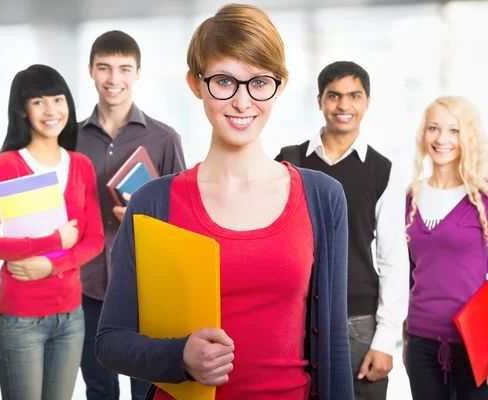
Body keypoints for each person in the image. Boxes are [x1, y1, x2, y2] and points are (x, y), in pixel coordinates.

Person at [95, 4, 354, 400]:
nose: (242, 101)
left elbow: (334, 343)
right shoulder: (152, 203)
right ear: (195, 84)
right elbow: (110, 341)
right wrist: (178, 355)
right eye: (223, 81)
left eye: (259, 82)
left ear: (280, 85)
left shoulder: (322, 196)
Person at [0, 64, 105, 400]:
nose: (51, 111)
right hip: (21, 321)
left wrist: (52, 264)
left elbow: (95, 240)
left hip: (71, 318)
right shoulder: (9, 166)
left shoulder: (80, 165)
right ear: (22, 111)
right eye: (38, 102)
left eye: (58, 100)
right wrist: (52, 242)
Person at [276, 61, 409, 400]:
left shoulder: (383, 171)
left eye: (354, 96)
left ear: (367, 101)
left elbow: (393, 258)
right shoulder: (288, 163)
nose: (344, 106)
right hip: (296, 318)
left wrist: (384, 341)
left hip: (359, 323)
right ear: (319, 100)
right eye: (334, 96)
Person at [76, 30, 186, 400]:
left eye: (124, 68)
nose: (113, 79)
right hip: (85, 286)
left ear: (138, 73)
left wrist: (144, 223)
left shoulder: (164, 138)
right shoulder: (70, 140)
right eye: (104, 68)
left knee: (147, 390)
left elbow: (183, 217)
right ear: (90, 70)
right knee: (98, 388)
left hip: (145, 286)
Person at [403, 96, 488, 399]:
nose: (442, 139)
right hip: (421, 343)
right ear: (423, 134)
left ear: (469, 137)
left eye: (454, 130)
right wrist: (406, 337)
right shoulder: (410, 198)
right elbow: (410, 274)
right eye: (433, 128)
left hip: (477, 343)